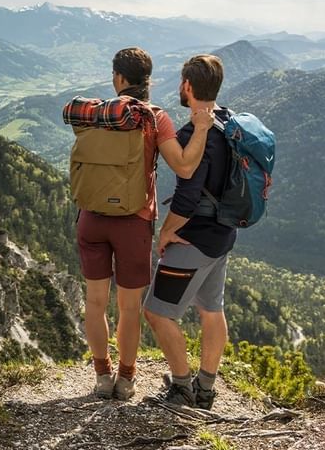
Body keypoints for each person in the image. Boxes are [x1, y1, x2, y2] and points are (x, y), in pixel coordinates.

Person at [73, 47, 215, 401]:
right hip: (133, 222)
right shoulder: (154, 118)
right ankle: (125, 379)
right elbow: (184, 166)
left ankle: (102, 376)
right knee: (129, 306)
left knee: (94, 302)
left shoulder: (99, 116)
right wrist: (200, 130)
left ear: (118, 78)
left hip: (90, 219)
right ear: (148, 79)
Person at [143, 54, 236, 410]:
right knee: (212, 309)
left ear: (187, 86)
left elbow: (186, 198)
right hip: (223, 236)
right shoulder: (228, 123)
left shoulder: (194, 136)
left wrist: (165, 233)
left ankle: (183, 388)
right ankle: (207, 389)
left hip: (193, 240)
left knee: (157, 313)